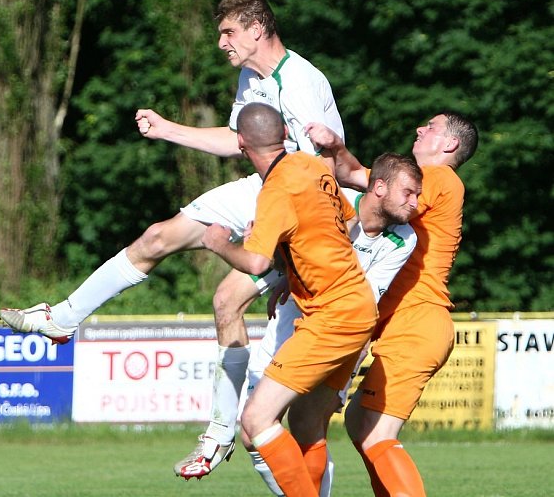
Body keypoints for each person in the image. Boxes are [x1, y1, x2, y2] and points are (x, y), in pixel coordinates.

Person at [0, 0, 345, 473]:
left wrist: (289, 262)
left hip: (302, 206)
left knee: (237, 320)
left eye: (228, 32)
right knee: (158, 237)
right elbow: (238, 140)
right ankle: (63, 318)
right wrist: (168, 129)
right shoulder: (251, 76)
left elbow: (325, 170)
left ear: (257, 28)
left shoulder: (304, 81)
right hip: (262, 185)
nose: (221, 43)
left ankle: (220, 434)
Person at [201, 101, 378, 497]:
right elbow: (346, 225)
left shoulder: (275, 191)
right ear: (284, 135)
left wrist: (221, 243)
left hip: (332, 317)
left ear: (241, 144)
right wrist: (292, 270)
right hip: (358, 308)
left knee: (256, 421)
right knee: (305, 426)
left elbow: (254, 261)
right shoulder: (313, 166)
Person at [306, 111, 478, 497]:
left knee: (374, 430)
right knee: (360, 421)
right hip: (407, 322)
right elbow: (364, 179)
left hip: (417, 321)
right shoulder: (427, 183)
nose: (419, 128)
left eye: (430, 127)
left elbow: (375, 193)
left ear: (449, 144)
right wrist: (337, 150)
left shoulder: (438, 178)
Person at [243, 151, 422, 496]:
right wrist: (285, 275)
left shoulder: (404, 238)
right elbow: (295, 245)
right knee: (256, 429)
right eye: (408, 192)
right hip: (299, 316)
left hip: (343, 324)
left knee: (305, 424)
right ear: (379, 187)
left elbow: (363, 292)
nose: (414, 203)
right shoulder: (336, 198)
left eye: (417, 195)